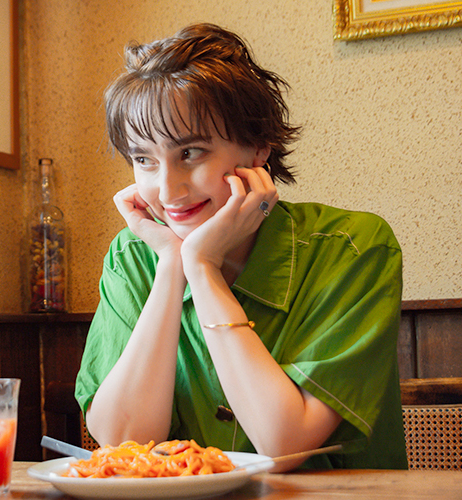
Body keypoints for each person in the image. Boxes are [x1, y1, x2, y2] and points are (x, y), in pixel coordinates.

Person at [74, 23, 407, 470]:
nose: (167, 190)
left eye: (190, 153)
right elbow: (124, 442)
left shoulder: (354, 247)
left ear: (256, 149)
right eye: (143, 159)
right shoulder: (134, 255)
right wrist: (173, 266)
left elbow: (284, 443)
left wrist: (203, 269)